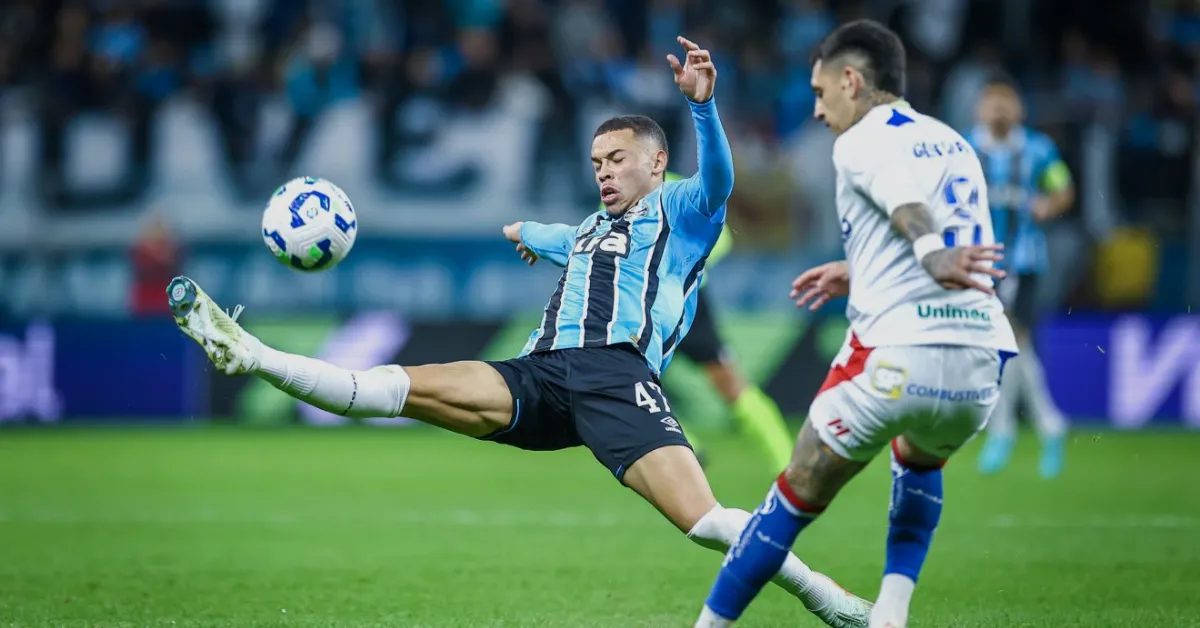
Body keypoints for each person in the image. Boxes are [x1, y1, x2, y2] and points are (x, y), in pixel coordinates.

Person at [166, 36, 871, 628]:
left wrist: (703, 107)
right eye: (595, 163)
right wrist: (523, 233)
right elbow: (560, 235)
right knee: (393, 390)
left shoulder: (686, 212)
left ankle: (829, 600)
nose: (603, 173)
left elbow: (719, 177)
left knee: (705, 522)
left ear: (656, 163)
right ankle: (250, 353)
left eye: (617, 160)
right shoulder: (594, 228)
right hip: (538, 375)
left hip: (613, 375)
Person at [693, 20, 1017, 628]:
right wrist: (859, 267)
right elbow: (938, 224)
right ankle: (890, 616)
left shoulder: (861, 140)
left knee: (790, 498)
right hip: (979, 366)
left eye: (820, 93)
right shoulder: (953, 141)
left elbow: (905, 205)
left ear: (852, 80)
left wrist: (928, 255)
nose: (817, 110)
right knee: (919, 462)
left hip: (899, 354)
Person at [610, 172, 795, 472]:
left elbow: (721, 238)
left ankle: (787, 463)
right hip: (642, 302)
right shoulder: (616, 192)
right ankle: (688, 447)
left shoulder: (681, 190)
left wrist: (681, 259)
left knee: (728, 383)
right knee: (631, 380)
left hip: (687, 301)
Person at [968, 73, 1073, 480]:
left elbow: (1063, 188)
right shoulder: (965, 146)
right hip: (976, 261)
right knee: (1005, 345)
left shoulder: (1037, 150)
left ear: (1019, 108)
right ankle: (1046, 426)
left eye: (1006, 101)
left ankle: (1008, 430)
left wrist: (1050, 203)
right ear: (980, 107)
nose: (999, 108)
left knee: (1011, 340)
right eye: (992, 100)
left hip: (1023, 261)